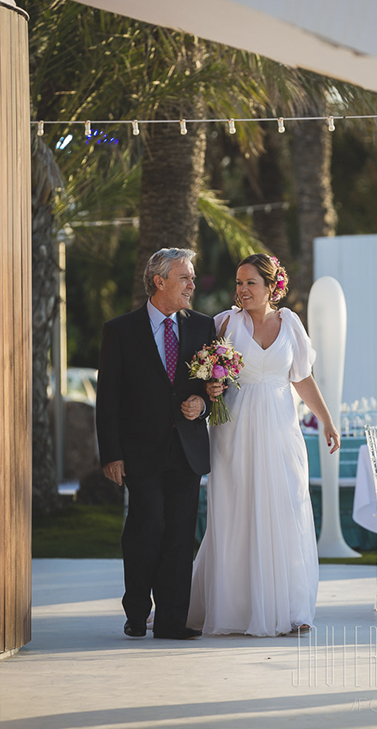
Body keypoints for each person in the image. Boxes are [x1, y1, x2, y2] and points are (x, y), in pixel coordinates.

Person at [187, 254, 341, 636]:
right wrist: (209, 388)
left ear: (272, 287)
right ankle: (235, 609)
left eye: (250, 283)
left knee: (286, 508)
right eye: (238, 283)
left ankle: (291, 608)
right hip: (234, 431)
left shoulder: (290, 324)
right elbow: (203, 375)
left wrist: (327, 419)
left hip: (281, 431)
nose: (242, 290)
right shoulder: (223, 323)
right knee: (236, 514)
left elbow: (302, 378)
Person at [97, 247, 215, 640]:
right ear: (159, 280)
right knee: (147, 528)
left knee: (181, 535)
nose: (192, 285)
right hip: (139, 452)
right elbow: (108, 398)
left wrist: (204, 402)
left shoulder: (202, 327)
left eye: (192, 277)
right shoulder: (120, 330)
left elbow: (214, 385)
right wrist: (111, 453)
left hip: (186, 449)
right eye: (185, 277)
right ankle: (136, 610)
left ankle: (171, 620)